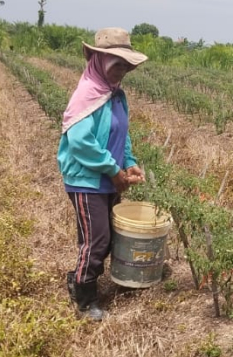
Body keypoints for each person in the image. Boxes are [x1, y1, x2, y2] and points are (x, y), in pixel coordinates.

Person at [57, 27, 148, 320]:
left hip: (107, 178)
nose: (121, 70)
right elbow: (81, 142)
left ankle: (78, 277)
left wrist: (129, 161)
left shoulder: (116, 95)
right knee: (96, 240)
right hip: (86, 179)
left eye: (125, 64)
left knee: (105, 238)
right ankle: (84, 298)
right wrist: (113, 170)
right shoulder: (87, 94)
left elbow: (123, 133)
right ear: (99, 60)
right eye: (116, 63)